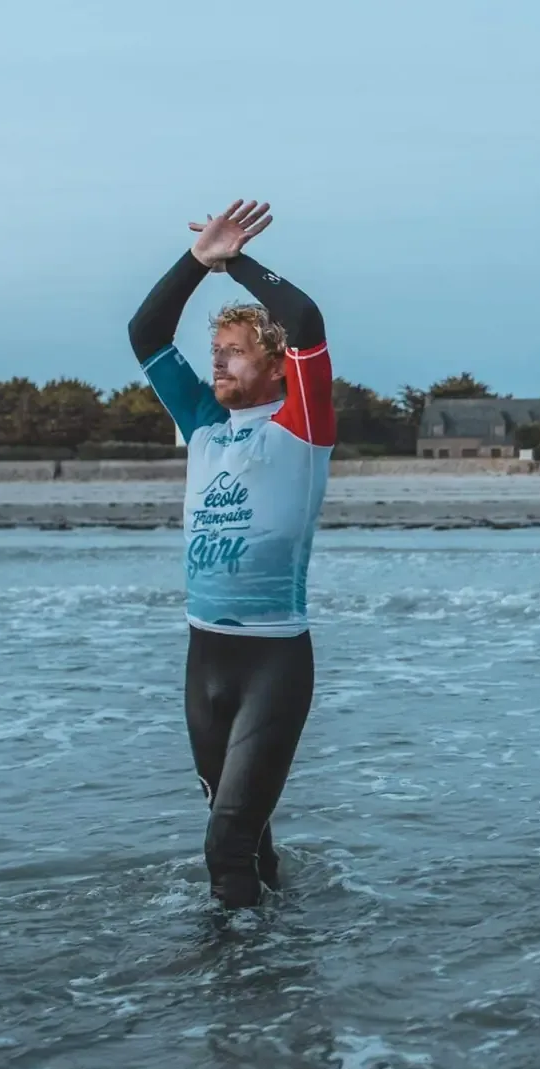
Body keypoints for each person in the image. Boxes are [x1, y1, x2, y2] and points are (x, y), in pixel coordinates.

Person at [126, 199, 336, 909]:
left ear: (277, 369)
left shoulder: (300, 426)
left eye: (235, 350)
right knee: (248, 839)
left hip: (273, 658)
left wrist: (236, 261)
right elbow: (146, 331)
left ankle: (233, 988)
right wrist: (196, 262)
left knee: (224, 844)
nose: (217, 357)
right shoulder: (204, 423)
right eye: (216, 349)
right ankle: (273, 973)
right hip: (204, 658)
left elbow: (305, 320)